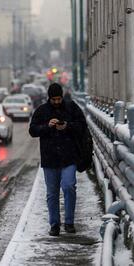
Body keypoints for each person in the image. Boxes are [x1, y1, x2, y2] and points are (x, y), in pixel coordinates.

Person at [28, 83, 86, 236]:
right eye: (53, 99)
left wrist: (67, 126)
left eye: (59, 98)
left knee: (69, 186)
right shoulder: (41, 111)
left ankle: (69, 222)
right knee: (52, 193)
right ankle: (54, 225)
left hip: (69, 156)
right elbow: (33, 130)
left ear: (62, 97)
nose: (56, 102)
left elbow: (82, 126)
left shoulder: (71, 108)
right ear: (49, 98)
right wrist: (47, 126)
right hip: (50, 158)